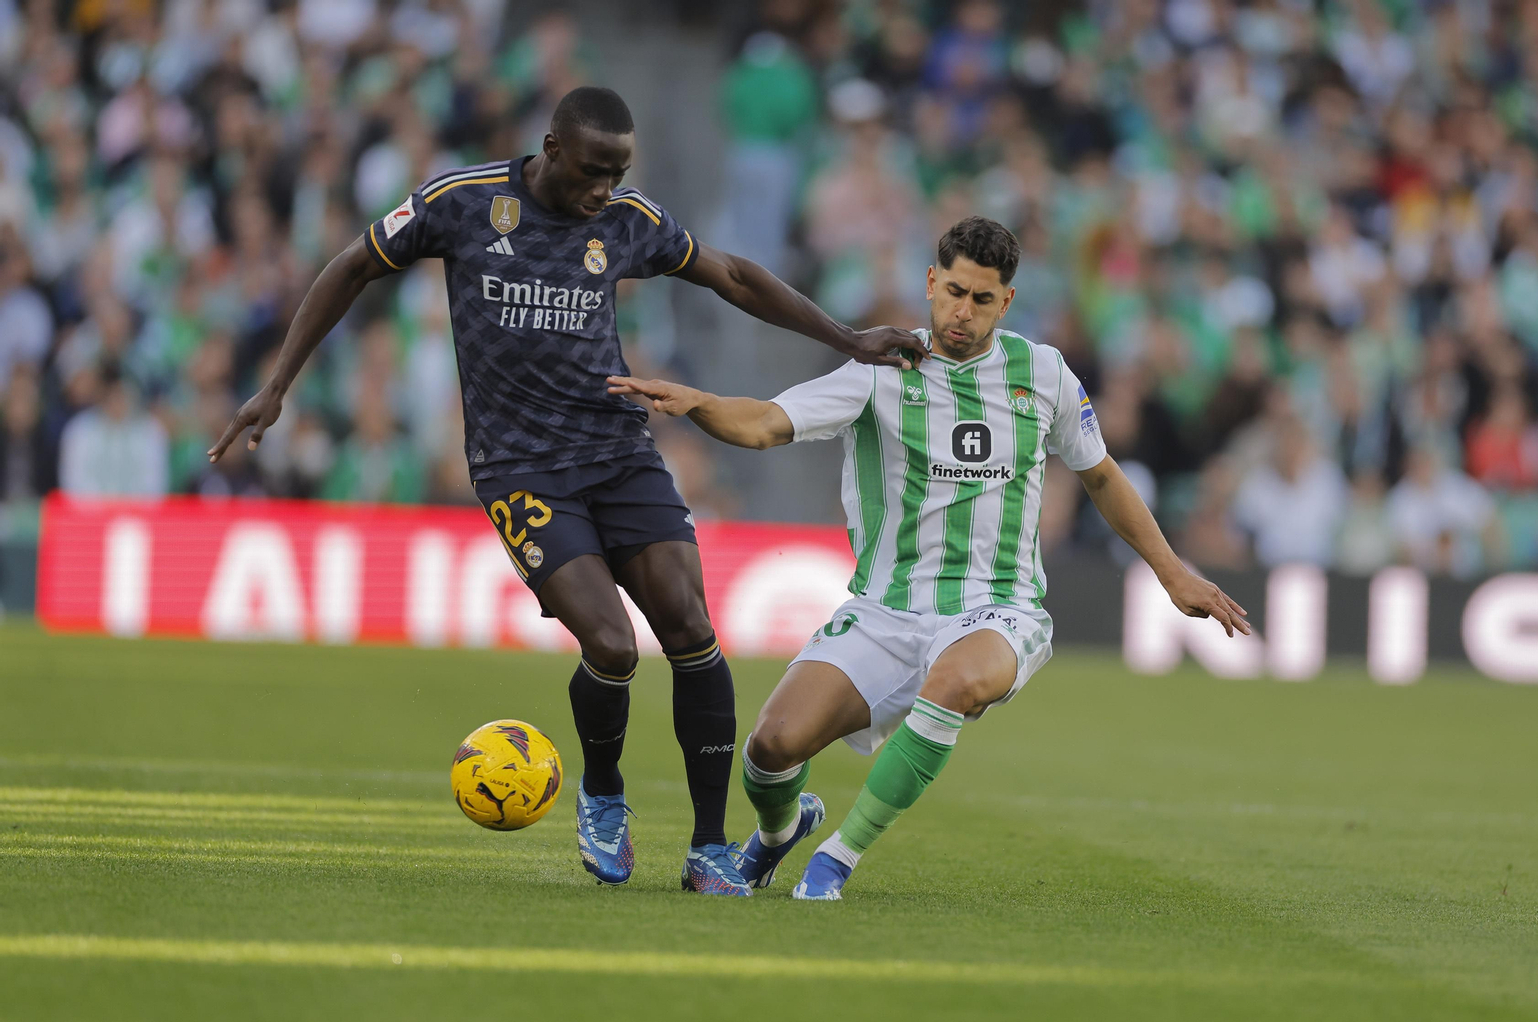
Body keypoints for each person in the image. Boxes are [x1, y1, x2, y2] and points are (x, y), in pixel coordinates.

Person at [207, 86, 928, 897]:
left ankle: (707, 847)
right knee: (614, 644)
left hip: (618, 451)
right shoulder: (463, 202)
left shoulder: (627, 221)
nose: (602, 192)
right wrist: (277, 385)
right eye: (591, 173)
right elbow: (350, 267)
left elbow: (730, 275)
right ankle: (603, 793)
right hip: (520, 466)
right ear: (551, 148)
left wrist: (847, 339)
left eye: (617, 175)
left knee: (691, 627)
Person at [607, 216, 1248, 900]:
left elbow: (1101, 476)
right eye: (952, 292)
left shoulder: (1044, 374)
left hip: (1000, 607)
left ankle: (836, 860)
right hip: (886, 609)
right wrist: (701, 404)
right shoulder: (880, 368)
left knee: (955, 684)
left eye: (980, 299)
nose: (961, 312)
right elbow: (768, 423)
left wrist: (1172, 570)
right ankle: (777, 832)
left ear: (1006, 302)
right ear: (930, 283)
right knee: (769, 749)